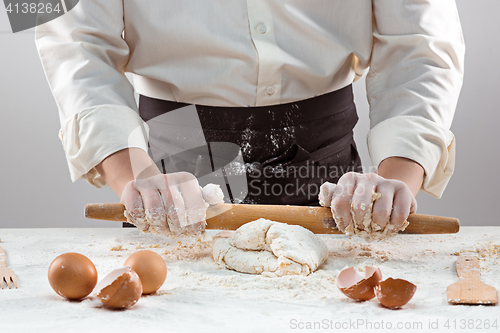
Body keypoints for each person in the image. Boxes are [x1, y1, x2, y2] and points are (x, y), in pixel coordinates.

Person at [35, 1, 464, 236]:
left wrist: (394, 181)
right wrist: (136, 173)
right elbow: (69, 41)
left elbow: (423, 42)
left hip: (329, 169)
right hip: (174, 162)